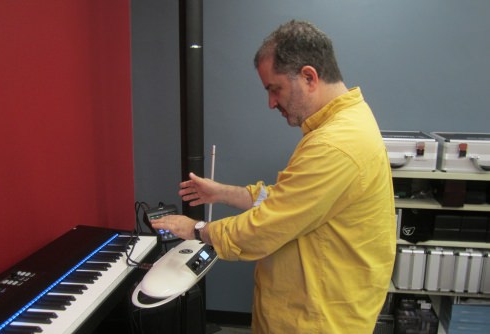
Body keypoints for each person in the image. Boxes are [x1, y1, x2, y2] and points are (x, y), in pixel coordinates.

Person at [152, 20, 396, 333]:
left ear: (309, 77)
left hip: (315, 320)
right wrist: (223, 193)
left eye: (274, 89)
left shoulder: (335, 144)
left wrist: (198, 229)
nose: (270, 103)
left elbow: (264, 229)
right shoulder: (346, 122)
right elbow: (289, 200)